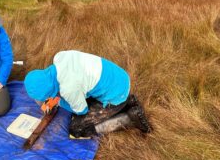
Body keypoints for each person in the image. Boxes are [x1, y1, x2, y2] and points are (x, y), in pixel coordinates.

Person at [23, 50, 152, 138]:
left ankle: (130, 119)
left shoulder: (68, 88)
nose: (46, 100)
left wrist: (59, 101)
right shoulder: (60, 57)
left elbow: (81, 110)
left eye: (46, 98)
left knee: (77, 129)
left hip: (116, 93)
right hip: (118, 77)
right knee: (83, 96)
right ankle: (129, 102)